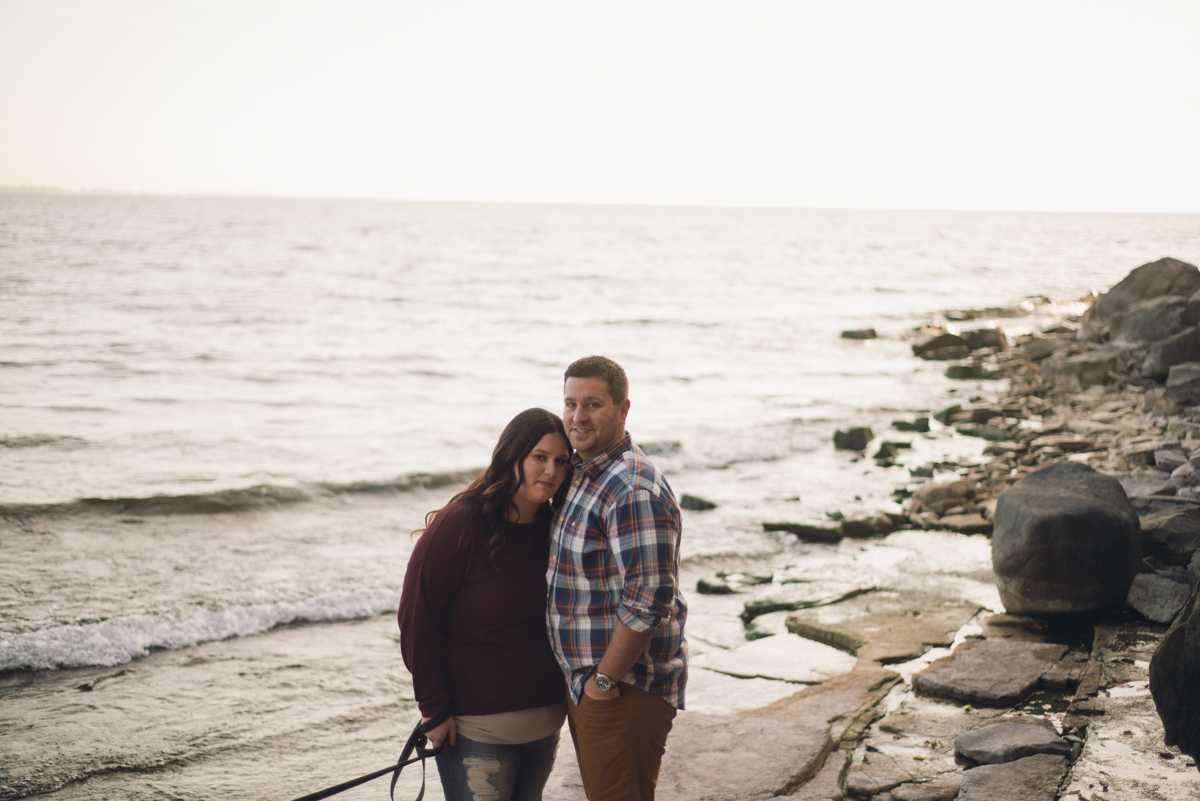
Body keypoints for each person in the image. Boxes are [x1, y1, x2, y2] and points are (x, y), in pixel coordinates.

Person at [398, 408, 573, 801]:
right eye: (539, 457)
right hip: (477, 734)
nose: (550, 471)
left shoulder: (558, 526)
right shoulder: (461, 524)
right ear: (513, 457)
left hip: (546, 728)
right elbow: (416, 617)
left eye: (561, 461)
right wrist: (433, 709)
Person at [546, 356, 688, 801]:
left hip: (625, 686)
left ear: (623, 409)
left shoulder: (630, 488)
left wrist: (603, 683)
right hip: (590, 680)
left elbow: (648, 600)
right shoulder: (582, 473)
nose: (577, 416)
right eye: (570, 403)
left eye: (593, 404)